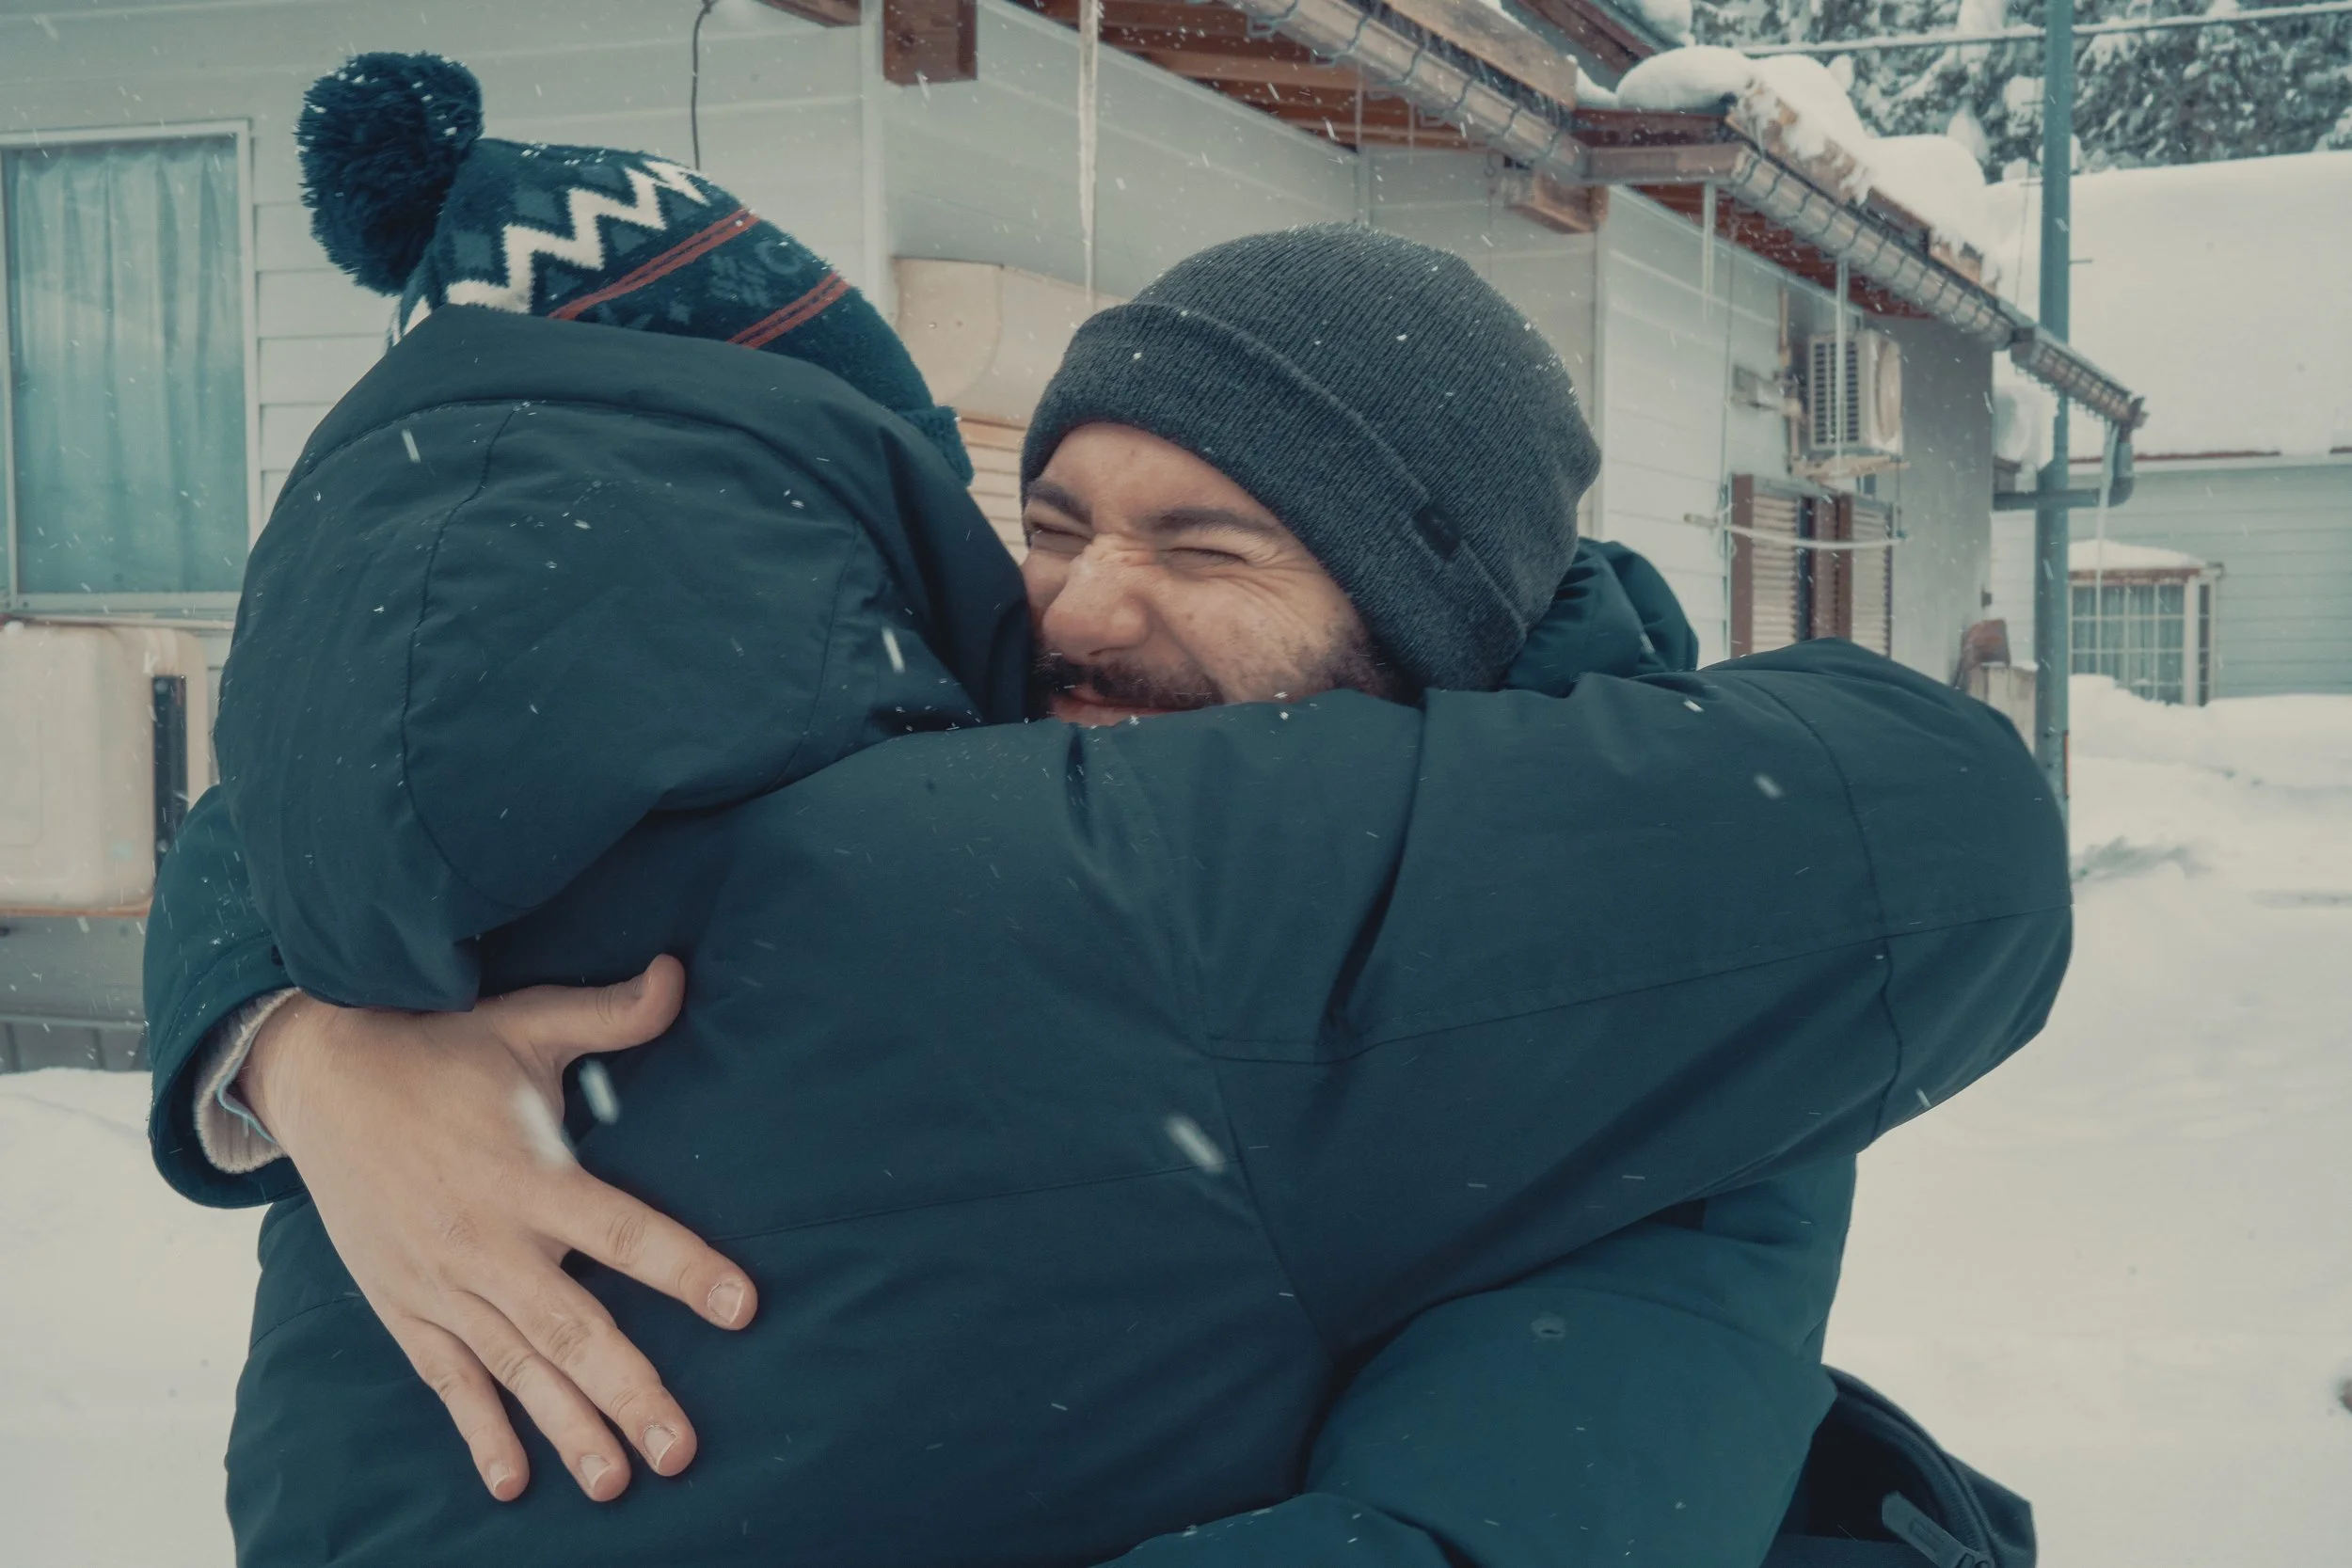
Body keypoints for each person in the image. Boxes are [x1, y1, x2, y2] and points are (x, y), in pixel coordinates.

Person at [144, 54, 2070, 1568]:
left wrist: (289, 1036)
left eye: (1205, 547)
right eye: (1053, 525)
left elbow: (1521, 1471)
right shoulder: (936, 806)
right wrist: (301, 1037)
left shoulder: (1533, 946)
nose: (1081, 608)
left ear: (1428, 620)